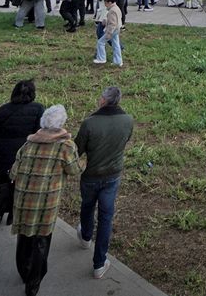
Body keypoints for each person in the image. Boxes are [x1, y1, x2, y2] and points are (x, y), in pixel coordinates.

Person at [12, 105, 83, 296]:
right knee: (42, 240)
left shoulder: (28, 144)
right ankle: (34, 283)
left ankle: (24, 272)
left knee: (25, 237)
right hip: (46, 201)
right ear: (61, 124)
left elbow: (13, 172)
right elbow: (74, 170)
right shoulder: (65, 146)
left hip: (23, 198)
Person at [75, 86, 135, 280]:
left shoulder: (89, 123)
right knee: (106, 218)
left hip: (91, 175)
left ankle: (85, 237)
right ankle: (99, 264)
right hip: (112, 176)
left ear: (103, 101)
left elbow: (78, 149)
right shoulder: (128, 120)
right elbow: (125, 141)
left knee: (87, 206)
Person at [0, 80, 45, 226]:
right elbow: (39, 132)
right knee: (20, 184)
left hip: (3, 151)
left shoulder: (4, 109)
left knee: (3, 182)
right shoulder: (38, 109)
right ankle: (13, 214)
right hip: (25, 153)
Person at [94, 0, 123, 66]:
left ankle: (101, 58)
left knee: (100, 42)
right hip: (117, 29)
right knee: (116, 45)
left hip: (112, 30)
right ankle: (118, 61)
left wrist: (108, 33)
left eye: (106, 3)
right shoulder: (116, 8)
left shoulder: (112, 11)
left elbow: (112, 24)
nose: (105, 5)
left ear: (110, 2)